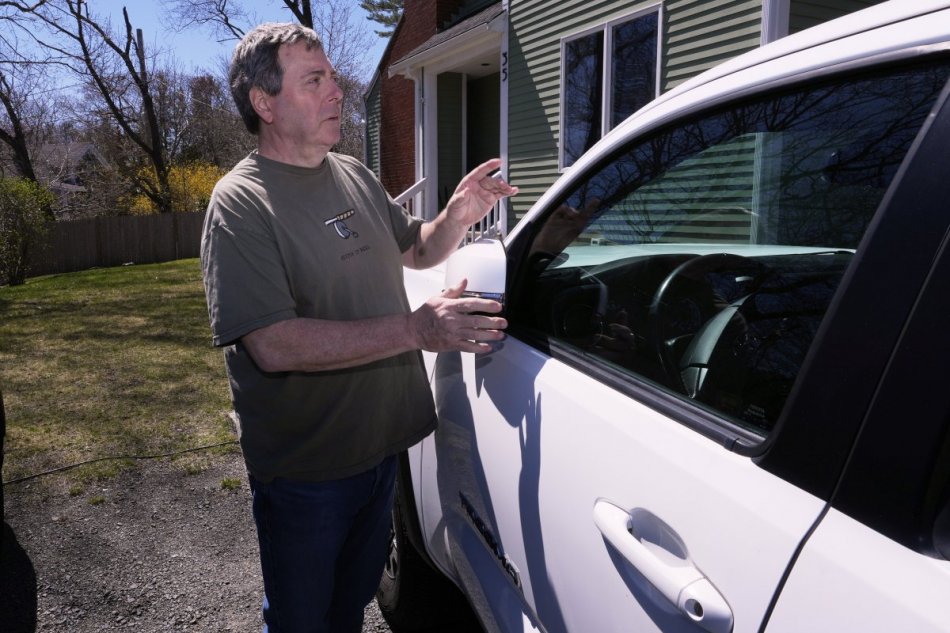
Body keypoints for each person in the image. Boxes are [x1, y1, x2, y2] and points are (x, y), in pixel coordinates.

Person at [199, 22, 517, 633]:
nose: (336, 91)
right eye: (313, 80)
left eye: (334, 78)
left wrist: (456, 215)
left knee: (349, 609)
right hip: (309, 472)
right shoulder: (240, 204)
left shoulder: (351, 174)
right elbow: (272, 344)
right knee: (301, 620)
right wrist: (417, 331)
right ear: (264, 103)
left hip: (383, 451)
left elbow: (416, 250)